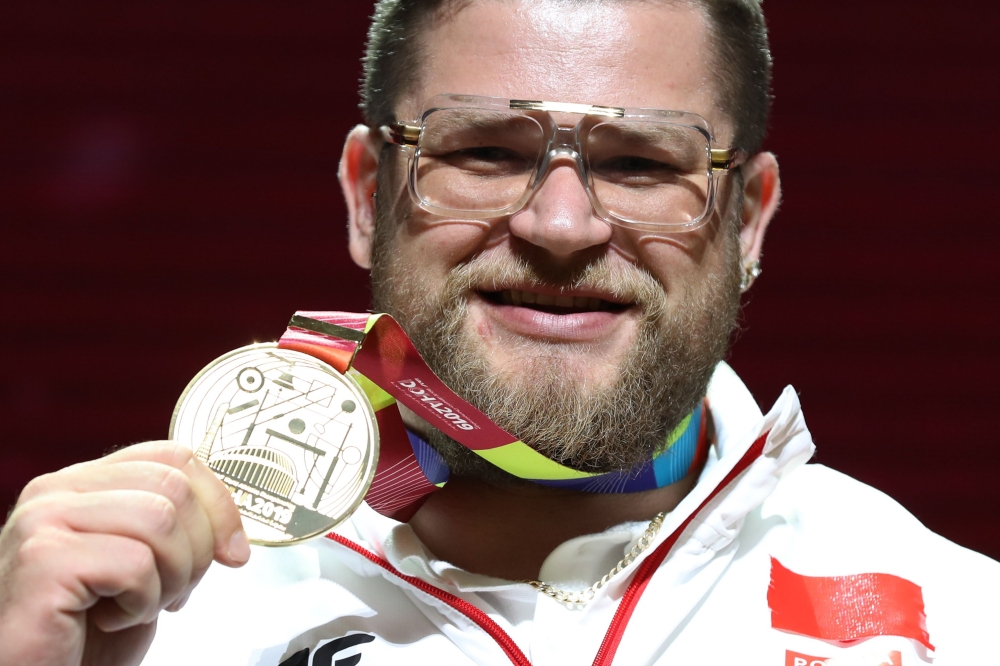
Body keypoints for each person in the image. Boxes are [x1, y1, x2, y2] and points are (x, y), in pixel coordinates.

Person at [1, 1, 997, 664]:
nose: (561, 226)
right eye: (480, 149)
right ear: (364, 197)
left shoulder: (965, 626)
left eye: (643, 163)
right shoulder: (137, 626)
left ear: (747, 222)